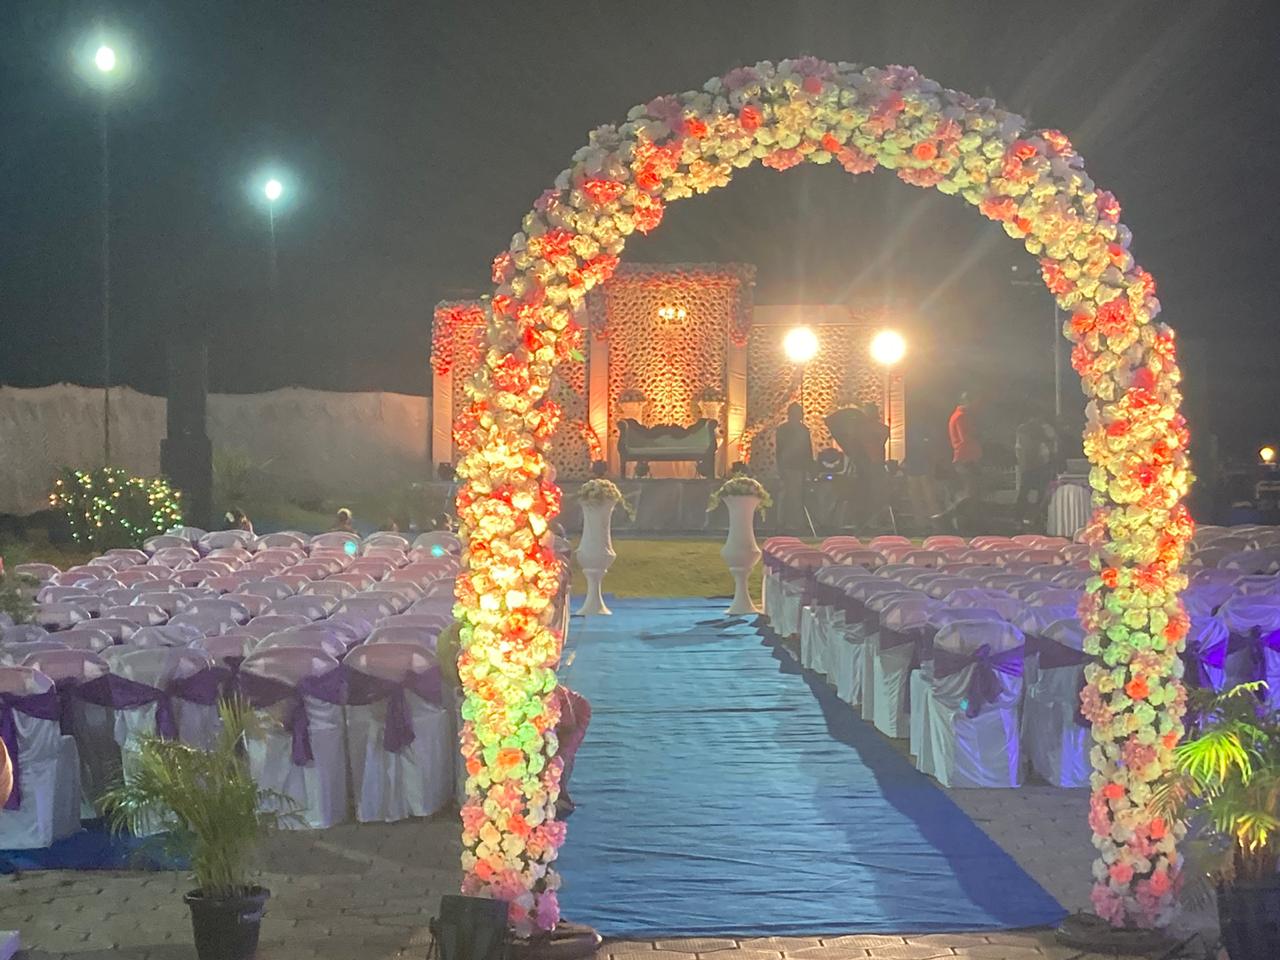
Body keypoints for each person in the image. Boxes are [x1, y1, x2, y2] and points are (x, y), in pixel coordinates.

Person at [437, 621, 589, 817]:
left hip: (555, 730)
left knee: (547, 766)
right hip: (503, 725)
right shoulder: (474, 687)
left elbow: (579, 713)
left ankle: (549, 800)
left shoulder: (539, 694)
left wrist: (558, 761)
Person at [933, 392, 984, 533]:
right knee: (971, 493)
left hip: (965, 457)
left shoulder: (959, 416)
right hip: (966, 457)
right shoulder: (961, 417)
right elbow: (965, 437)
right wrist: (977, 435)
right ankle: (945, 516)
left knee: (971, 494)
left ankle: (959, 521)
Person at [1014, 410, 1058, 528]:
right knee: (1028, 492)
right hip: (1032, 465)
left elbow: (1052, 445)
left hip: (1039, 465)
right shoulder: (1025, 430)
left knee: (1039, 493)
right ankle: (1023, 518)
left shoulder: (1043, 428)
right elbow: (1020, 449)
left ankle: (1034, 518)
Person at [774, 403, 813, 534]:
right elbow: (780, 450)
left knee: (796, 496)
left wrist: (809, 467)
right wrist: (780, 467)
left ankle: (794, 524)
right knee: (788, 496)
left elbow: (807, 451)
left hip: (797, 467)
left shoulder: (802, 430)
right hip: (789, 467)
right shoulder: (785, 430)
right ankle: (785, 524)